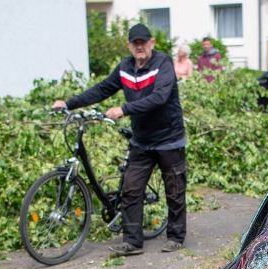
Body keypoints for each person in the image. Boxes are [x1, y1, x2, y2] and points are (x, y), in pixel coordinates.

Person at [52, 23, 188, 256]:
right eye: (135, 43)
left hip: (169, 139)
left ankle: (175, 237)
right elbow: (102, 89)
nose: (139, 47)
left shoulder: (163, 64)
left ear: (151, 43)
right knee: (131, 190)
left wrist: (124, 109)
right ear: (129, 45)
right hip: (142, 141)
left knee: (174, 190)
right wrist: (69, 103)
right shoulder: (125, 68)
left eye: (143, 43)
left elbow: (160, 97)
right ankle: (132, 242)